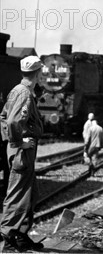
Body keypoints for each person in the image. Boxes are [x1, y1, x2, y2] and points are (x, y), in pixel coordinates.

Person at [0, 56, 45, 252]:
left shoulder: (20, 91)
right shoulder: (23, 93)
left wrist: (11, 142)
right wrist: (18, 142)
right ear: (37, 72)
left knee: (29, 194)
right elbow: (11, 122)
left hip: (21, 151)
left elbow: (3, 117)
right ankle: (9, 237)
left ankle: (20, 236)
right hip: (22, 152)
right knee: (18, 194)